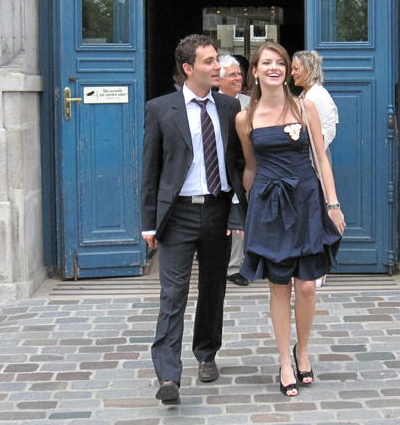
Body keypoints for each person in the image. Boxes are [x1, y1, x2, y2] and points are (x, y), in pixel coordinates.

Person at [141, 34, 246, 405]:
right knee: (173, 293)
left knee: (213, 289)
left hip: (218, 210)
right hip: (178, 214)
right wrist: (149, 223)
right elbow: (150, 169)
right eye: (209, 61)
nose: (218, 67)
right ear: (188, 68)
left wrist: (237, 210)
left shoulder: (229, 107)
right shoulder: (160, 109)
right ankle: (168, 374)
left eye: (217, 59)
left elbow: (237, 165)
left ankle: (206, 353)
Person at [235, 41, 345, 396]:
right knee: (279, 284)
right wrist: (249, 211)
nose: (274, 68)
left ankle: (303, 349)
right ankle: (284, 360)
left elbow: (322, 158)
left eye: (280, 63)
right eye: (266, 63)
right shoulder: (245, 118)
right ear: (255, 71)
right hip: (269, 205)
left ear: (286, 71)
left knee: (307, 286)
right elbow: (250, 167)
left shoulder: (304, 106)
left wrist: (333, 204)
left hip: (306, 200)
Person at [291, 50, 339, 288]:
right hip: (308, 160)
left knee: (318, 214)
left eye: (296, 68)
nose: (292, 73)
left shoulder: (318, 95)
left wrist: (310, 148)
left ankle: (319, 269)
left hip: (315, 160)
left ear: (309, 69)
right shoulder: (306, 94)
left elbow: (328, 130)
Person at [217, 54, 251, 287]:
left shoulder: (251, 103)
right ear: (218, 80)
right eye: (232, 75)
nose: (238, 78)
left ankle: (241, 265)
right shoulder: (210, 103)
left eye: (239, 74)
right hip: (221, 171)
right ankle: (228, 264)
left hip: (248, 168)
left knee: (243, 218)